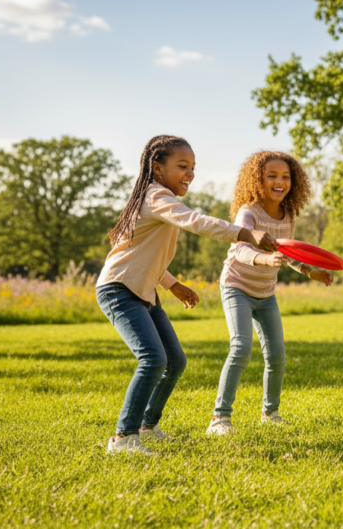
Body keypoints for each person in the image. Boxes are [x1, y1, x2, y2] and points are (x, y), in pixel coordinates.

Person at [97, 135, 278, 455]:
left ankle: (147, 426)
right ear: (156, 167)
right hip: (119, 290)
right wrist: (244, 232)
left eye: (193, 167)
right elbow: (195, 221)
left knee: (175, 360)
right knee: (153, 359)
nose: (190, 174)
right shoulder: (156, 196)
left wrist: (171, 284)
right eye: (182, 166)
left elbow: (140, 255)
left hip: (144, 290)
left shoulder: (157, 198)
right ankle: (124, 438)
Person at [207, 151, 333, 435]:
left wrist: (309, 271)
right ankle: (220, 418)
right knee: (241, 347)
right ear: (256, 180)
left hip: (266, 292)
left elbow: (285, 253)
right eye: (272, 176)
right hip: (237, 285)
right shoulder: (248, 212)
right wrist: (264, 259)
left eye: (286, 177)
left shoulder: (289, 214)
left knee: (276, 355)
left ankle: (270, 412)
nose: (280, 181)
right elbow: (240, 248)